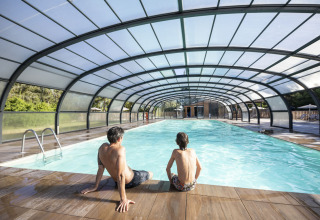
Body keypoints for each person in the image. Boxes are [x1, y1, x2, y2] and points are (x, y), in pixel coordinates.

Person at [81, 126, 153, 213]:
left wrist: (95, 186)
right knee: (149, 173)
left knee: (130, 169)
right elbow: (121, 175)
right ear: (120, 139)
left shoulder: (102, 148)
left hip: (117, 181)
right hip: (131, 180)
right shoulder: (120, 149)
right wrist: (123, 199)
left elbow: (100, 168)